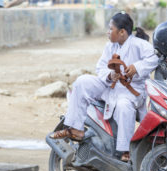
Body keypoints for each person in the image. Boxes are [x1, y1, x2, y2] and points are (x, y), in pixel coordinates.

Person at [50, 12, 159, 161]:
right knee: (82, 81)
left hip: (131, 93)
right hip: (110, 87)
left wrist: (137, 67)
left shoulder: (139, 45)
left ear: (122, 32)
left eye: (110, 29)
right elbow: (100, 68)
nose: (108, 32)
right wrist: (109, 75)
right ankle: (76, 129)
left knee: (123, 106)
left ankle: (125, 150)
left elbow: (154, 58)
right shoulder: (110, 46)